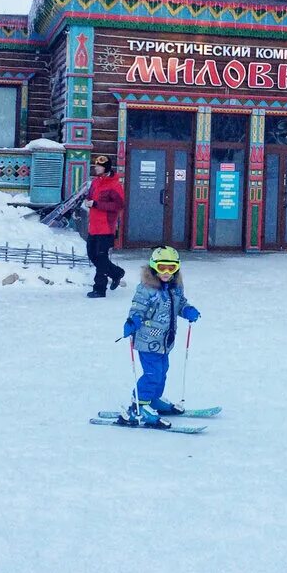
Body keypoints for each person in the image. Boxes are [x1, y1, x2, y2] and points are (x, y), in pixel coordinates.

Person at [118, 245, 201, 429]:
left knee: (162, 371)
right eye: (162, 267)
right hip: (147, 341)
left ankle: (153, 399)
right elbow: (137, 308)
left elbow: (180, 304)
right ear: (154, 267)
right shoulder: (146, 289)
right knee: (152, 374)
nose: (166, 272)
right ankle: (139, 405)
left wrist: (187, 310)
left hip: (165, 341)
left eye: (171, 268)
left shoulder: (175, 287)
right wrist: (133, 321)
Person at [84, 155, 126, 299]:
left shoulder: (115, 185)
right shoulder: (95, 182)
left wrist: (96, 204)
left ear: (106, 168)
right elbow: (89, 196)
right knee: (92, 255)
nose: (96, 168)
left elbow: (119, 205)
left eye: (99, 166)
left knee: (101, 258)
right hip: (93, 226)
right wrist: (88, 201)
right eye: (95, 165)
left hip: (106, 228)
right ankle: (116, 273)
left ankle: (99, 289)